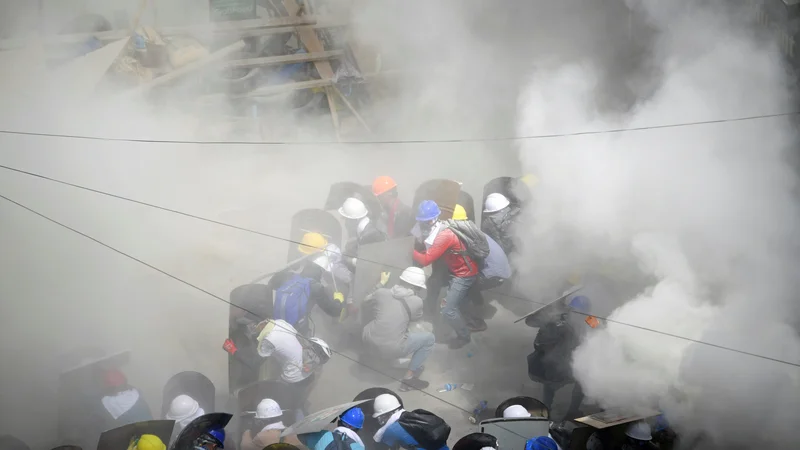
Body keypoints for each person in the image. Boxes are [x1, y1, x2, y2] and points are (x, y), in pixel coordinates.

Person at [412, 200, 479, 349]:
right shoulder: (437, 227)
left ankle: (464, 336)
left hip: (463, 274)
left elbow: (425, 259)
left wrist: (408, 249)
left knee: (448, 309)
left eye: (427, 221)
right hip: (455, 270)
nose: (424, 224)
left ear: (436, 218)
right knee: (454, 298)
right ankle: (472, 320)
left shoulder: (445, 235)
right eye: (422, 221)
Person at [361, 266, 434, 391]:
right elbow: (415, 319)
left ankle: (379, 359)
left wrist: (381, 283)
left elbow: (365, 300)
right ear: (414, 287)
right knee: (428, 337)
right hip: (391, 347)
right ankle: (408, 380)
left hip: (367, 338)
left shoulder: (381, 293)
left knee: (380, 317)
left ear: (401, 280)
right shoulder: (416, 301)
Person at [527, 296, 592, 421]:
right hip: (559, 363)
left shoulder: (584, 319)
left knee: (579, 381)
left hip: (569, 361)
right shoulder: (558, 324)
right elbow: (539, 342)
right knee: (554, 385)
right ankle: (551, 412)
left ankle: (567, 411)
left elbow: (598, 327)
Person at [450, 204, 511, 332]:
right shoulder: (471, 229)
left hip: (493, 273)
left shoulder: (464, 236)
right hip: (500, 269)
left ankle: (476, 322)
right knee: (472, 286)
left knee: (461, 290)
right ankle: (479, 307)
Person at [264, 253, 345, 335]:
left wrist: (286, 268)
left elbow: (271, 283)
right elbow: (334, 311)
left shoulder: (289, 276)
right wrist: (338, 299)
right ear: (321, 271)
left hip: (276, 326)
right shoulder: (315, 286)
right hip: (297, 330)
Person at [256, 320, 320, 421]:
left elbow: (259, 359)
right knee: (299, 400)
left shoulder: (268, 339)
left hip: (294, 378)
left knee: (283, 406)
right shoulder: (281, 323)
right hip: (308, 369)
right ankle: (300, 408)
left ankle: (295, 418)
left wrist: (235, 351)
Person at [372, 394, 450, 450]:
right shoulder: (416, 415)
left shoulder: (392, 429)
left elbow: (381, 447)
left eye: (382, 416)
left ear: (391, 413)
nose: (380, 420)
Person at [300, 407, 366, 450]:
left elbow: (301, 434)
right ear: (358, 430)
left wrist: (325, 420)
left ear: (339, 422)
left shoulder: (324, 437)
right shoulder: (359, 448)